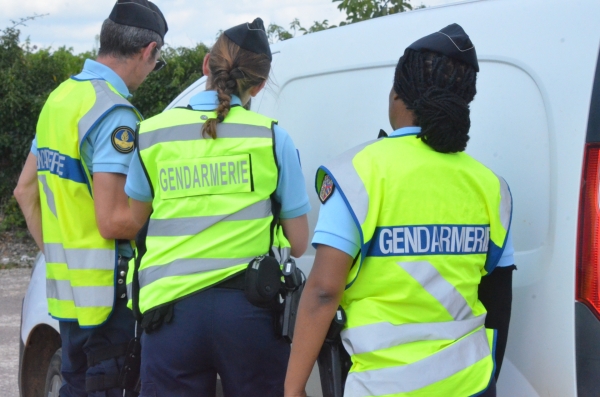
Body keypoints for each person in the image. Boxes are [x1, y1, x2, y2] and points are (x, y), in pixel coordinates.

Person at [284, 24, 515, 397]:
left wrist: (293, 388)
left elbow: (325, 291)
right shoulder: (491, 186)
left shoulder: (357, 173)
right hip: (469, 385)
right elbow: (498, 299)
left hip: (383, 386)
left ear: (397, 96)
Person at [124, 18, 311, 397]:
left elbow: (134, 222)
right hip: (249, 315)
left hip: (170, 315)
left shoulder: (153, 133)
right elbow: (299, 242)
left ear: (207, 65)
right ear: (260, 84)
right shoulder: (272, 137)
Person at [13, 1, 168, 395]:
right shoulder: (114, 113)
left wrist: (57, 253)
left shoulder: (60, 99)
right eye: (157, 63)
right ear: (149, 52)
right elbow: (114, 221)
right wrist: (160, 194)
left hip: (68, 300)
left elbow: (24, 190)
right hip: (108, 301)